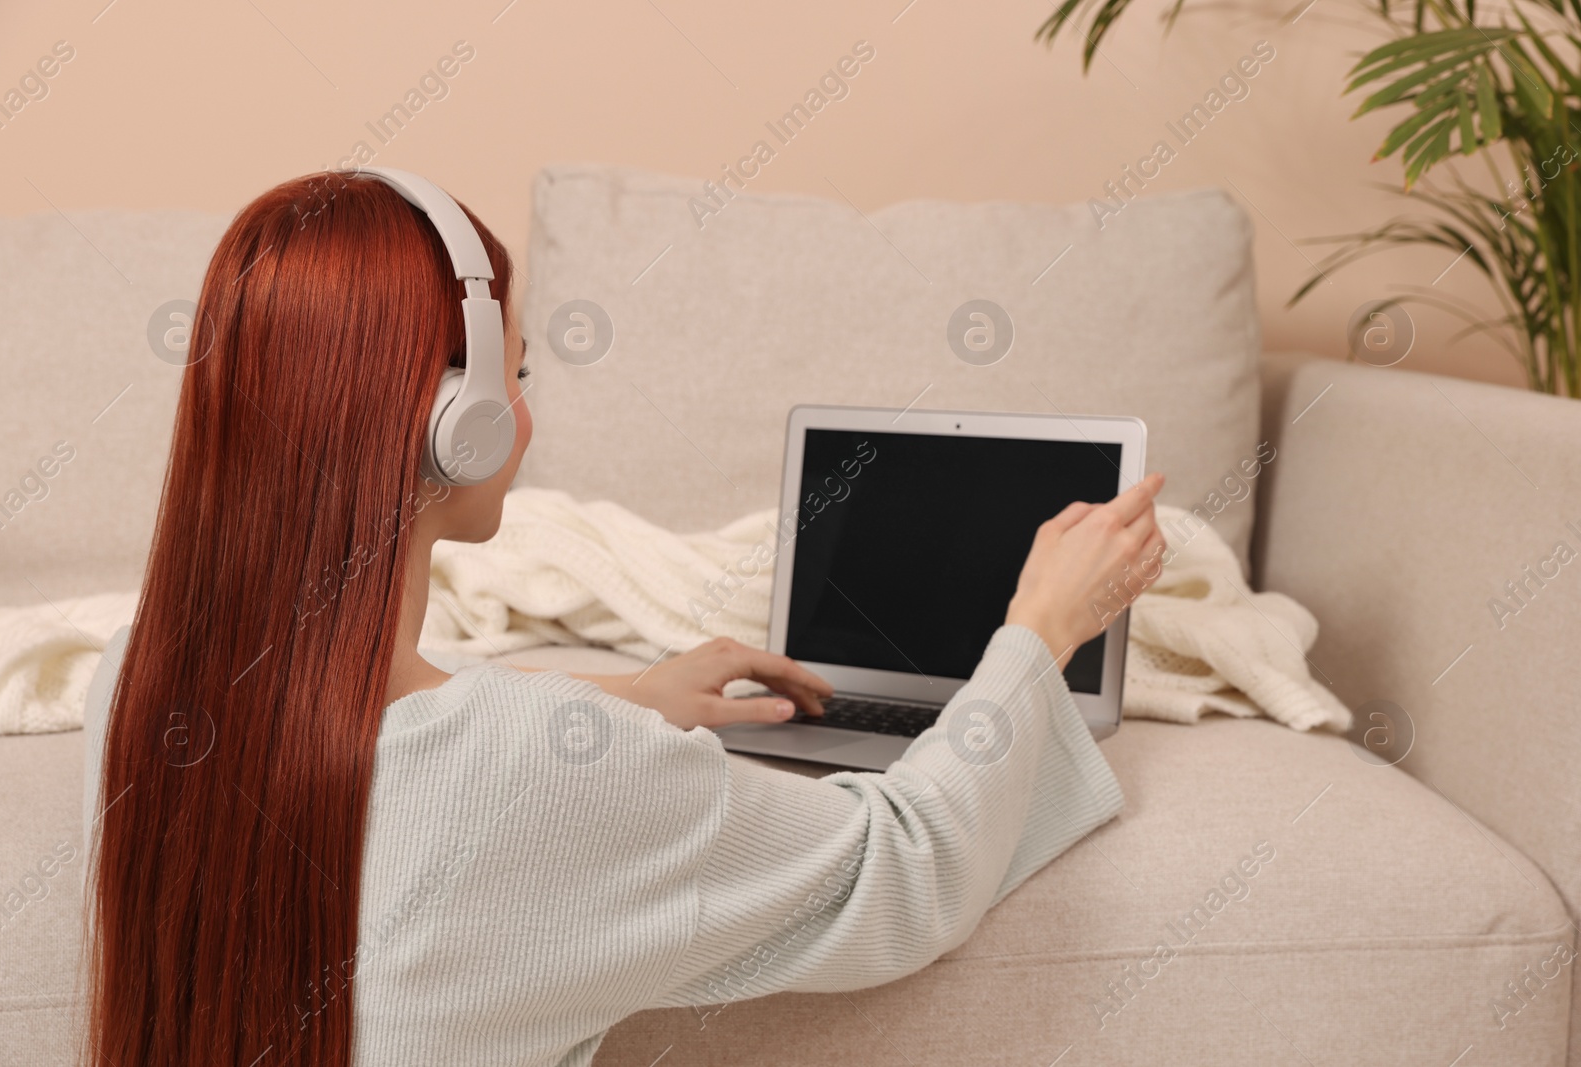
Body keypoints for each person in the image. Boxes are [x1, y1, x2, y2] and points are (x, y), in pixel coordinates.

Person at [81, 171, 1166, 1067]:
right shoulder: (554, 773)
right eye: (516, 371)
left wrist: (621, 694)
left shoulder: (137, 687)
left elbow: (374, 729)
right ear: (457, 422)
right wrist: (1037, 628)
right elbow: (904, 866)